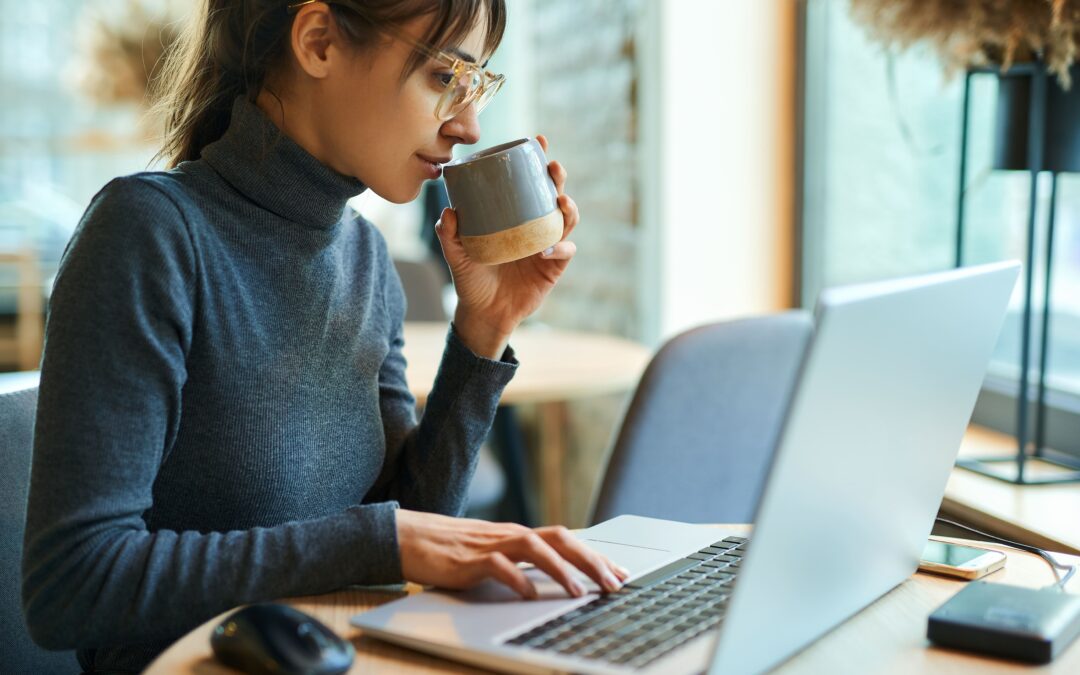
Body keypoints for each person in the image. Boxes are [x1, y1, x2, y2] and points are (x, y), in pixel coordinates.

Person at [20, 1, 628, 671]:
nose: (467, 124)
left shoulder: (365, 258)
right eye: (442, 76)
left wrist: (484, 329)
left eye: (475, 82)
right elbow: (72, 583)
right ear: (318, 43)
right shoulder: (147, 235)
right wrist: (380, 538)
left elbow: (408, 529)